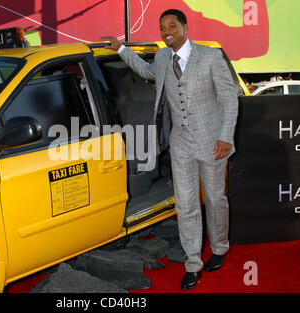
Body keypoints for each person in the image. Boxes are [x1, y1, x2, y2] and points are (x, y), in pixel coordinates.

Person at [101, 8, 238, 290]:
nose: (166, 32)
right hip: (180, 143)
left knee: (214, 199)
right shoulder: (163, 57)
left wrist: (225, 137)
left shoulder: (210, 57)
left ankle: (220, 247)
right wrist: (122, 49)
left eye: (172, 26)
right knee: (185, 204)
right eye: (162, 27)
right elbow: (146, 72)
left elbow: (229, 98)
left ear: (185, 28)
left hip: (213, 141)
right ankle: (192, 263)